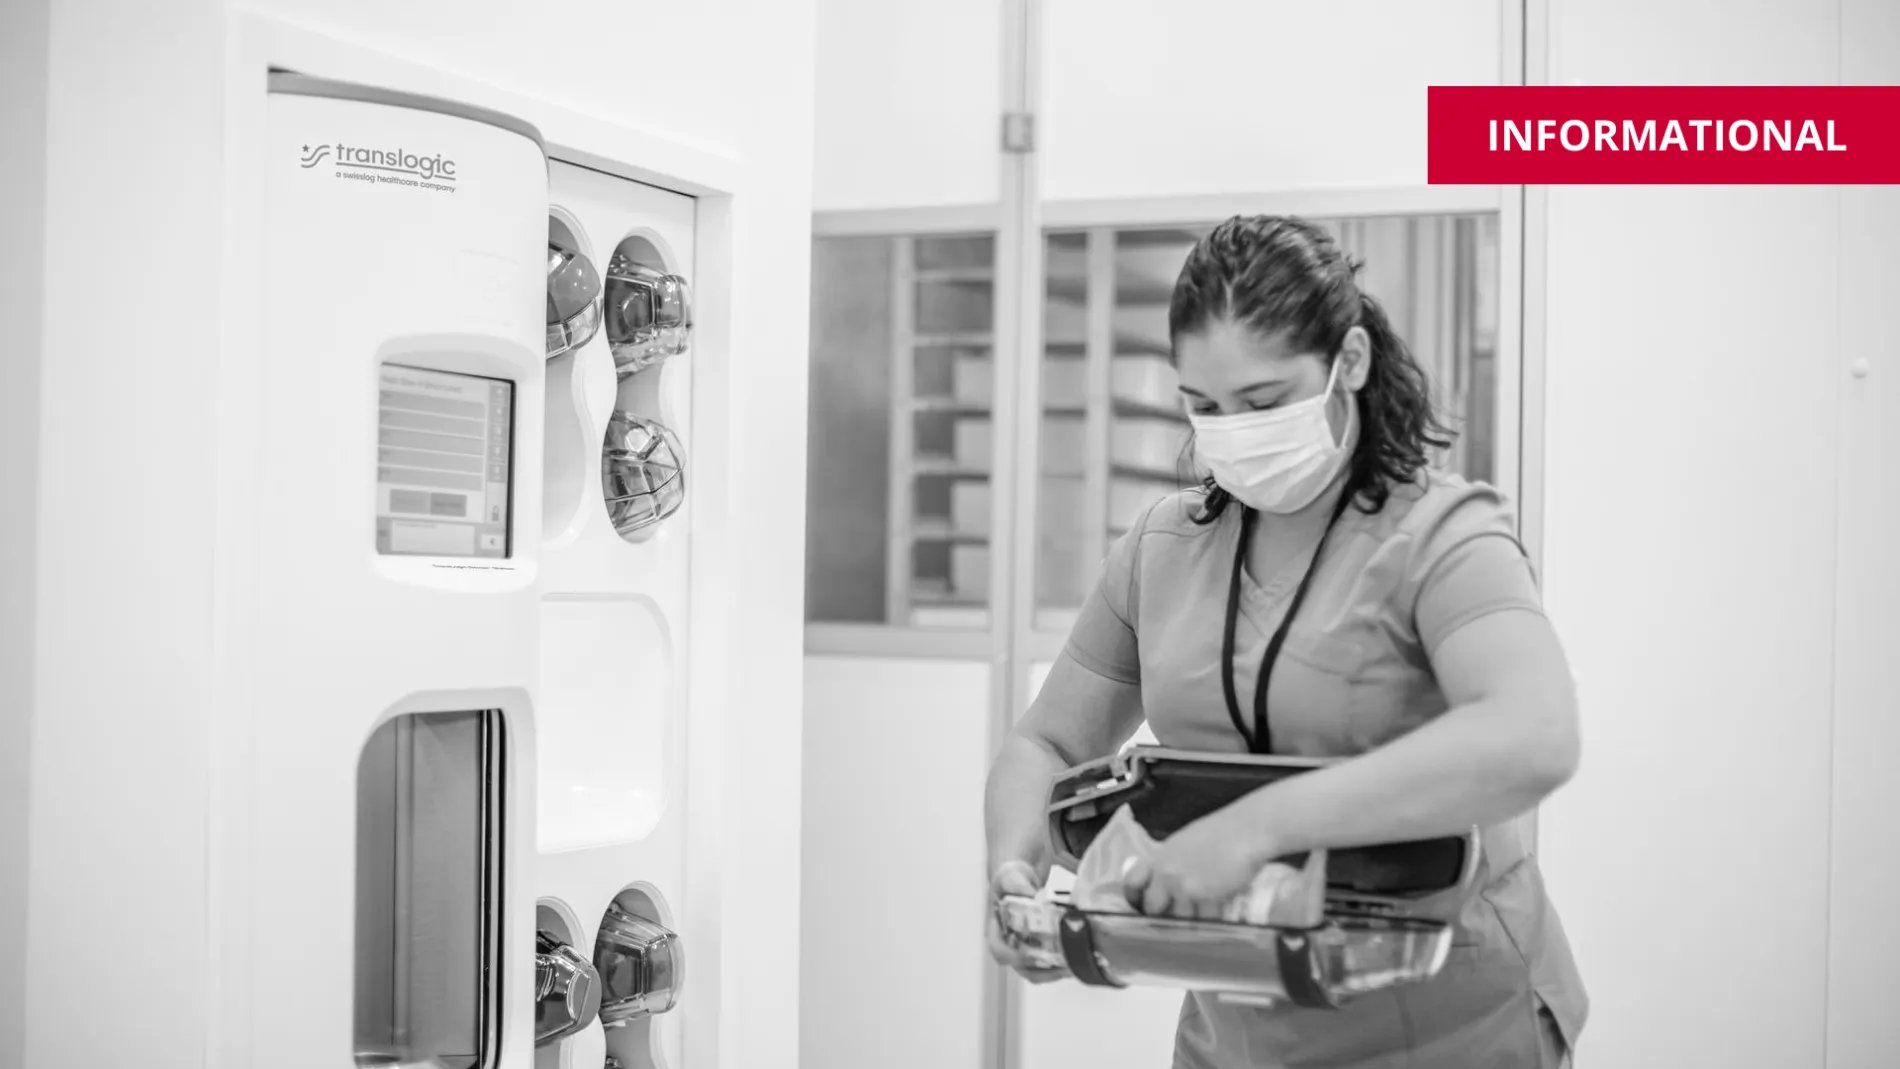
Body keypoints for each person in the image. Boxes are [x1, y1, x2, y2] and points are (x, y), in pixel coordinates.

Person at [983, 215, 1588, 1068]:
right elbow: (1049, 739)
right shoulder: (1165, 545)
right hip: (1238, 1034)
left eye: (1263, 402)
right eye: (1203, 406)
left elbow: (1534, 736)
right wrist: (1016, 865)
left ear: (1349, 361)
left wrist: (1253, 830)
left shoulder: (1444, 535)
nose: (1231, 429)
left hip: (1449, 1028)